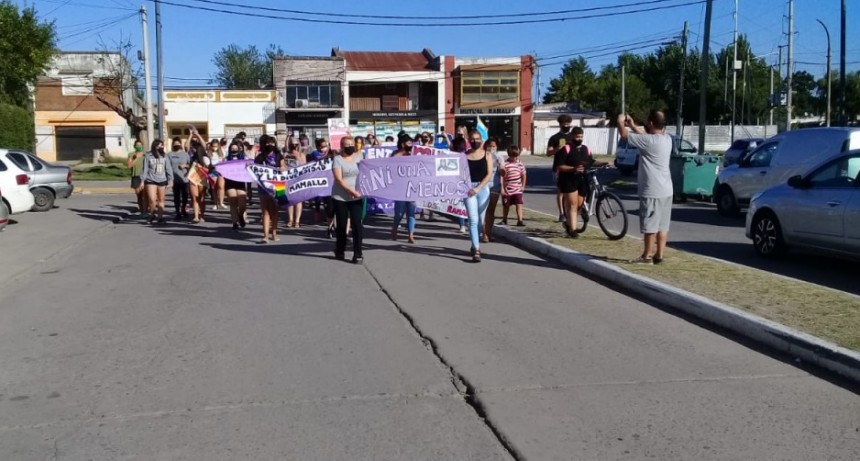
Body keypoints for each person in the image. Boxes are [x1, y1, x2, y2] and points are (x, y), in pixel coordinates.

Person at [618, 111, 672, 264]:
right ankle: (659, 255)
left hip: (652, 191)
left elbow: (624, 135)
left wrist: (620, 122)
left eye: (647, 123)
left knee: (650, 225)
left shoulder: (649, 141)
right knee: (663, 225)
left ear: (651, 124)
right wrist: (633, 125)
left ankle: (647, 256)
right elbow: (644, 136)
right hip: (667, 190)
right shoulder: (667, 139)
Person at [331, 136, 364, 263]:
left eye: (351, 144)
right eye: (347, 144)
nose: (350, 146)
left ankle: (358, 253)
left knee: (357, 225)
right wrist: (351, 191)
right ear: (341, 146)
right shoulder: (337, 160)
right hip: (341, 197)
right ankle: (340, 249)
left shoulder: (358, 157)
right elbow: (339, 179)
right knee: (342, 225)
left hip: (356, 197)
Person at [464, 130, 493, 262]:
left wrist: (478, 188)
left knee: (480, 221)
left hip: (482, 189)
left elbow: (489, 174)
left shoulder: (487, 155)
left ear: (481, 140)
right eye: (472, 139)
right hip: (468, 190)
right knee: (473, 220)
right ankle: (476, 249)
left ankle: (473, 242)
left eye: (477, 138)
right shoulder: (463, 156)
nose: (475, 141)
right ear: (469, 140)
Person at [254, 134, 286, 243]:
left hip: (278, 185)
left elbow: (283, 167)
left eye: (272, 143)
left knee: (275, 211)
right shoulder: (260, 157)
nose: (270, 145)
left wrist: (281, 168)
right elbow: (255, 169)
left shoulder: (278, 155)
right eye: (268, 143)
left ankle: (274, 233)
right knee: (265, 211)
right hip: (263, 186)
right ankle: (265, 235)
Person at [390, 135, 417, 243]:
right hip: (400, 188)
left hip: (412, 187)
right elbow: (390, 162)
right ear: (403, 144)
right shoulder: (396, 154)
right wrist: (403, 151)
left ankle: (411, 235)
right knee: (399, 213)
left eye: (412, 143)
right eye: (409, 143)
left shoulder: (414, 153)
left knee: (411, 213)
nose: (411, 145)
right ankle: (394, 229)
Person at [547, 114, 574, 223]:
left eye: (568, 124)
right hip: (558, 168)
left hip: (572, 166)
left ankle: (571, 211)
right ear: (560, 125)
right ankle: (561, 213)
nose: (566, 126)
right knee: (561, 191)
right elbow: (548, 153)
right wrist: (557, 148)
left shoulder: (573, 137)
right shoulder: (555, 138)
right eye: (564, 125)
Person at [140, 139, 173, 225]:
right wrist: (142, 180)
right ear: (154, 146)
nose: (161, 147)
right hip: (150, 180)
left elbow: (168, 168)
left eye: (162, 145)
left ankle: (160, 217)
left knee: (161, 199)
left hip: (162, 179)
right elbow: (145, 169)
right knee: (151, 199)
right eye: (159, 145)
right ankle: (152, 215)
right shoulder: (148, 155)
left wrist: (170, 179)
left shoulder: (164, 156)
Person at [481, 137, 504, 242]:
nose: (491, 148)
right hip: (483, 184)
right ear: (486, 146)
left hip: (495, 185)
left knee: (491, 210)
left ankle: (488, 233)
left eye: (494, 146)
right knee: (483, 210)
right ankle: (483, 233)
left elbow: (503, 171)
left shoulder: (499, 156)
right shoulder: (481, 155)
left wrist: (502, 169)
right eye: (489, 146)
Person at [186, 131, 210, 224]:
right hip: (192, 173)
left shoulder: (202, 149)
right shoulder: (190, 150)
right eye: (193, 139)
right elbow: (186, 145)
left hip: (202, 172)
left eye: (196, 139)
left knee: (202, 196)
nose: (195, 140)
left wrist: (198, 134)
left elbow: (204, 144)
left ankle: (202, 215)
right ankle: (196, 216)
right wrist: (191, 135)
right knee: (194, 197)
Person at [500, 145, 527, 226]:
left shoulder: (520, 164)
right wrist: (502, 188)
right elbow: (502, 176)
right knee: (506, 205)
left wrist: (523, 186)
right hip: (508, 188)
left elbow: (523, 175)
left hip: (517, 188)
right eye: (513, 156)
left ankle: (520, 220)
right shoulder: (505, 164)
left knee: (519, 203)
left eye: (516, 156)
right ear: (509, 155)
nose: (515, 158)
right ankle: (504, 219)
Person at [224, 142, 248, 230]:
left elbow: (251, 164)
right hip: (230, 182)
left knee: (242, 203)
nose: (234, 150)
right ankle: (235, 223)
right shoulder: (226, 159)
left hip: (240, 182)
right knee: (233, 201)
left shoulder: (244, 158)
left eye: (235, 148)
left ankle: (241, 215)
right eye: (232, 148)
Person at [166, 137, 190, 220]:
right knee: (176, 197)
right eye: (175, 144)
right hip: (174, 179)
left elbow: (191, 165)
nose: (176, 145)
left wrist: (185, 166)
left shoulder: (185, 154)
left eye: (178, 144)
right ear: (172, 145)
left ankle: (183, 209)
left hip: (184, 178)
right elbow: (167, 167)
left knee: (185, 196)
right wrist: (169, 179)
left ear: (180, 144)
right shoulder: (169, 155)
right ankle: (177, 212)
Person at [284, 141, 306, 228]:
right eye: (292, 144)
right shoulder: (286, 154)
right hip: (289, 179)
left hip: (299, 180)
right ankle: (290, 219)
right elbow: (282, 164)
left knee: (298, 201)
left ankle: (297, 221)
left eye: (296, 144)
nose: (294, 146)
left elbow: (304, 167)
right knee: (290, 200)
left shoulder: (302, 155)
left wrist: (297, 157)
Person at [127, 139, 148, 217]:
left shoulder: (146, 155)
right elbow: (129, 166)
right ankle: (142, 211)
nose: (138, 146)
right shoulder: (131, 154)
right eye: (137, 145)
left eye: (140, 145)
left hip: (145, 176)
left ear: (142, 146)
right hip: (136, 176)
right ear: (134, 146)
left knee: (145, 195)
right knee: (139, 195)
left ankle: (147, 210)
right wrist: (136, 158)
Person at [208, 140, 226, 210]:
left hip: (221, 170)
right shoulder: (209, 153)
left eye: (216, 146)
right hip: (213, 171)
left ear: (218, 146)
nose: (215, 148)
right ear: (211, 146)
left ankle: (221, 202)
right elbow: (207, 163)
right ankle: (216, 203)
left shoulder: (222, 152)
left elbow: (225, 160)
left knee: (221, 186)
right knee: (214, 187)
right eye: (213, 146)